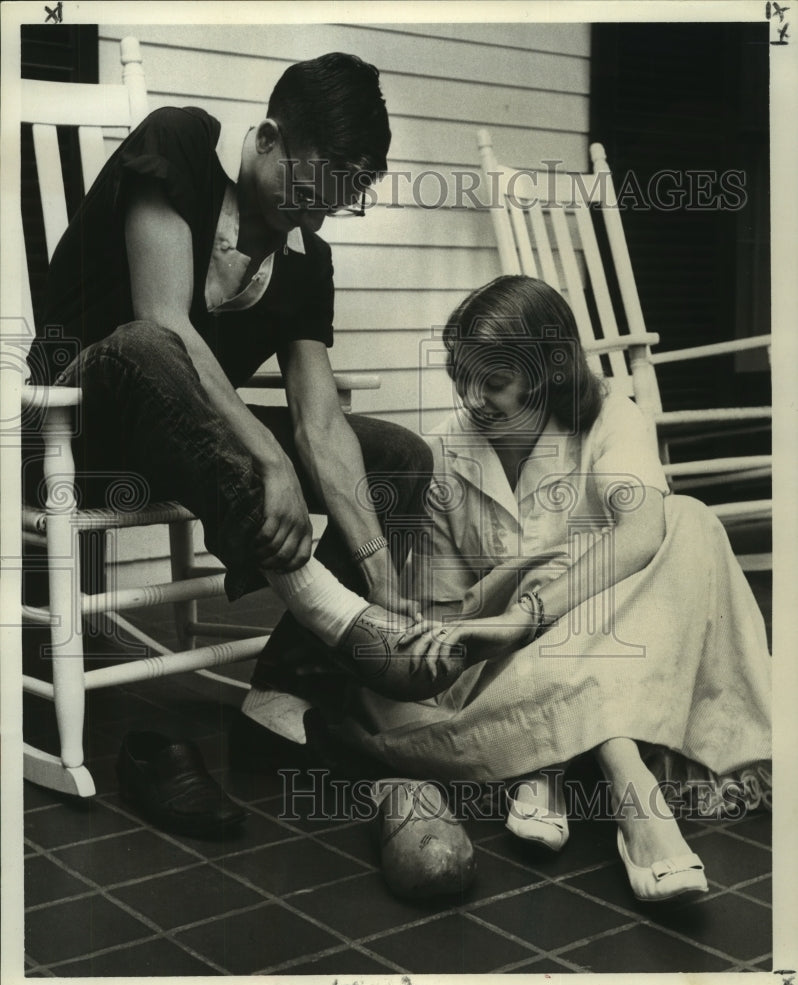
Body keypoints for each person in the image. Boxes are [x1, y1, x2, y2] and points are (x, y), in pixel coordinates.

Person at [24, 52, 465, 769]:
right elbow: (164, 321)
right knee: (148, 343)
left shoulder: (304, 260)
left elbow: (321, 423)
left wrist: (381, 565)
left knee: (398, 456)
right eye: (313, 187)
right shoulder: (179, 146)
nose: (318, 213)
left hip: (188, 451)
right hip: (73, 430)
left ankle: (282, 695)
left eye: (341, 198)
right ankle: (327, 610)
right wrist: (265, 453)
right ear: (266, 139)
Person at [336, 275, 772, 903]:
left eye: (494, 382)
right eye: (462, 377)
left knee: (686, 521)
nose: (472, 398)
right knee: (556, 563)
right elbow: (446, 613)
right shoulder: (444, 458)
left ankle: (558, 768)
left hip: (623, 640)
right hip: (501, 669)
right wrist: (513, 606)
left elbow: (646, 532)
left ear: (546, 376)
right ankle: (626, 788)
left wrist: (536, 607)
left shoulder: (611, 418)